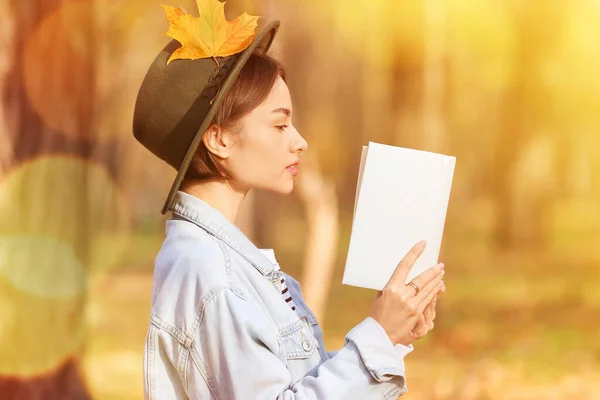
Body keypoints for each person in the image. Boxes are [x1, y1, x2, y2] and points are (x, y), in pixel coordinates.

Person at [133, 13, 446, 400]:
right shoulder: (212, 273)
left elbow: (291, 384)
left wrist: (392, 339)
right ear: (218, 140)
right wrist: (377, 338)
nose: (300, 142)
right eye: (280, 126)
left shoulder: (217, 259)